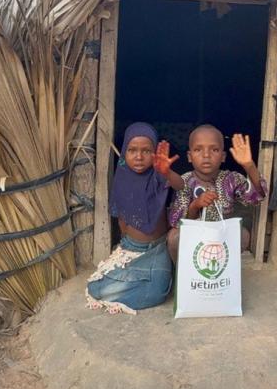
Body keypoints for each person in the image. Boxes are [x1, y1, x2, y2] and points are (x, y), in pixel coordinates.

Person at [86, 122, 179, 314]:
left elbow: (182, 186)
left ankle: (145, 280)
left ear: (155, 153)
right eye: (132, 150)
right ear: (124, 152)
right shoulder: (121, 178)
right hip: (130, 248)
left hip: (156, 249)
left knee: (157, 291)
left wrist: (167, 172)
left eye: (146, 151)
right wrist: (124, 247)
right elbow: (121, 218)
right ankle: (130, 279)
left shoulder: (158, 175)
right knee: (97, 287)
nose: (139, 156)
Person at [166, 124, 267, 262]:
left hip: (221, 237)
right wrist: (195, 205)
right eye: (198, 150)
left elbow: (256, 197)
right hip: (193, 239)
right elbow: (179, 223)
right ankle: (183, 271)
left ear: (223, 156)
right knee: (174, 237)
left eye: (214, 150)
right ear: (189, 156)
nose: (206, 155)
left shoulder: (231, 179)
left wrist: (249, 165)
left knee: (242, 234)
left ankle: (223, 269)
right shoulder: (184, 181)